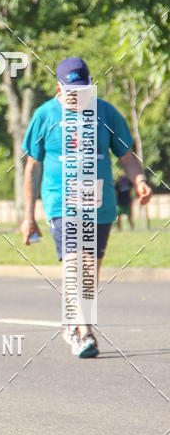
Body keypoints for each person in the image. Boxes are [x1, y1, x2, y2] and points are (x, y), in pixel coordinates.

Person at [22, 57, 151, 358]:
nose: (78, 97)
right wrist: (29, 217)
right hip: (61, 203)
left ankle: (74, 323)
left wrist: (140, 181)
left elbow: (127, 157)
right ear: (58, 88)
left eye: (83, 90)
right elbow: (32, 167)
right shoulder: (45, 116)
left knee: (89, 271)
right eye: (72, 92)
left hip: (99, 204)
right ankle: (86, 333)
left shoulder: (106, 112)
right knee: (74, 263)